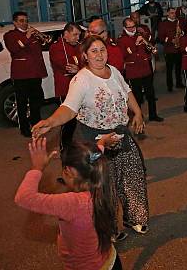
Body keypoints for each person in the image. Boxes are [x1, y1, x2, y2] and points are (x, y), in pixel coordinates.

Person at [31, 35, 150, 239]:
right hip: (95, 140)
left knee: (132, 177)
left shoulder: (114, 72)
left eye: (102, 50)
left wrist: (137, 112)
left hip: (121, 134)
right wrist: (50, 122)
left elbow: (127, 91)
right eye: (93, 51)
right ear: (85, 55)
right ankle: (109, 230)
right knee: (103, 187)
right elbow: (69, 108)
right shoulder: (81, 79)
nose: (99, 54)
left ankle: (135, 218)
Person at [15, 138, 122, 270]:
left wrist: (37, 168)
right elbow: (96, 154)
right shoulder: (102, 185)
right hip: (111, 260)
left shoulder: (73, 204)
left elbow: (24, 198)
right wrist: (102, 142)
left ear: (70, 172)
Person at [3, 11, 48, 137]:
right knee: (22, 103)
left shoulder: (33, 34)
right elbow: (14, 48)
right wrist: (27, 36)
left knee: (36, 100)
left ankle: (36, 123)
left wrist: (39, 38)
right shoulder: (10, 35)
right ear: (15, 22)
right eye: (21, 21)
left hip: (35, 73)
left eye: (26, 20)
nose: (25, 23)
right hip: (21, 75)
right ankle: (24, 128)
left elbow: (42, 45)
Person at [118, 17, 164, 122]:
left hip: (145, 68)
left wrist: (147, 44)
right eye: (129, 27)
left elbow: (148, 50)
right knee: (137, 96)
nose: (132, 29)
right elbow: (123, 55)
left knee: (150, 94)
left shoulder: (140, 35)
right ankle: (138, 117)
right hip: (133, 70)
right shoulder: (121, 40)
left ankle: (153, 114)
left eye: (133, 26)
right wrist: (135, 45)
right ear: (124, 27)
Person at [49, 23, 82, 149]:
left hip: (80, 88)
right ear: (66, 34)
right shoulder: (57, 47)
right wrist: (79, 68)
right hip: (66, 89)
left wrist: (79, 68)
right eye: (75, 35)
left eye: (79, 35)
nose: (78, 38)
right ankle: (65, 147)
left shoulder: (79, 46)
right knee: (68, 121)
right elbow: (66, 66)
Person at [157, 7, 185, 92]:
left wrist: (181, 32)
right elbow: (160, 38)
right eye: (172, 13)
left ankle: (179, 83)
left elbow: (184, 33)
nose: (174, 14)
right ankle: (169, 85)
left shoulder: (179, 22)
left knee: (178, 68)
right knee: (169, 69)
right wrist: (170, 40)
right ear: (168, 13)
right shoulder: (163, 24)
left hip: (178, 49)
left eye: (175, 13)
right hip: (169, 49)